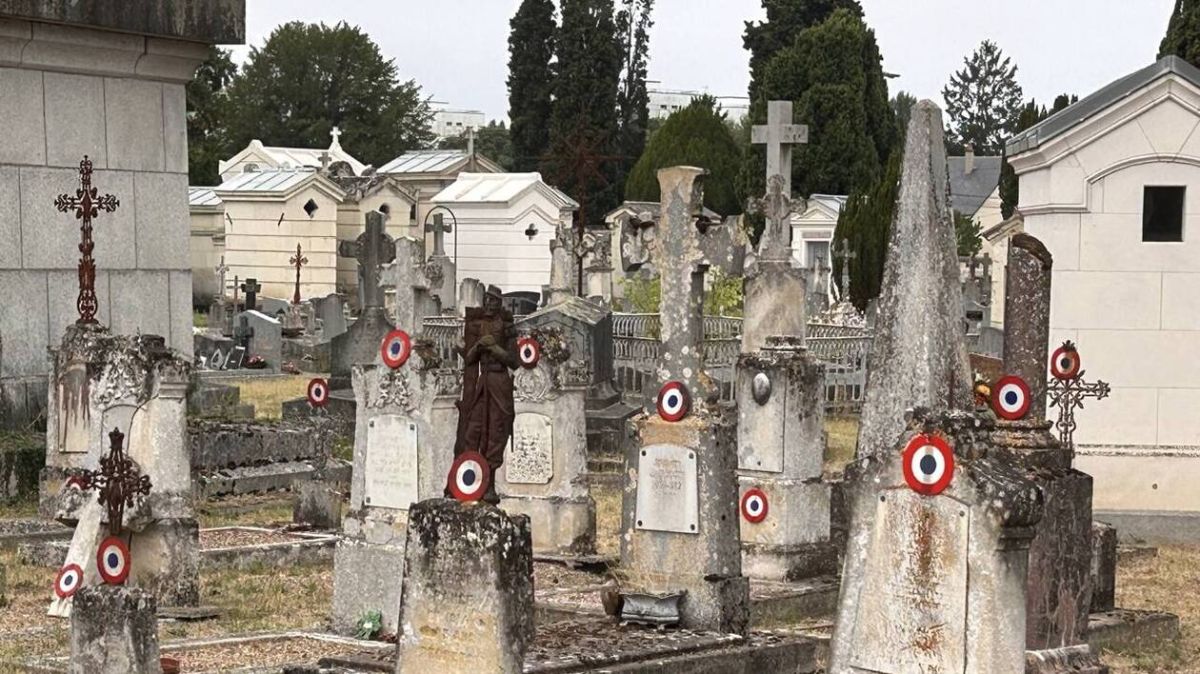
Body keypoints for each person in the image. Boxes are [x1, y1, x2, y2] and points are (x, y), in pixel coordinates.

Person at [450, 285, 519, 504]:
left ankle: (489, 486)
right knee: (474, 429)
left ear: (500, 304)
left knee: (496, 432)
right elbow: (470, 359)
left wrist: (495, 349)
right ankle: (468, 481)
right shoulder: (477, 325)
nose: (490, 304)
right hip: (482, 383)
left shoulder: (506, 326)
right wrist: (478, 346)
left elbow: (514, 360)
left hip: (499, 383)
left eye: (495, 301)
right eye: (488, 300)